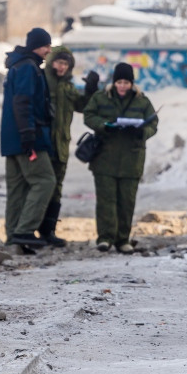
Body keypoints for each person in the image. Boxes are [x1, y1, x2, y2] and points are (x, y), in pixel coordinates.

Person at [83, 62, 158, 253]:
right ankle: (105, 238)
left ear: (132, 83)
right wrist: (104, 125)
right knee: (106, 201)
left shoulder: (142, 101)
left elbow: (153, 123)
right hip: (104, 158)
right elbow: (89, 116)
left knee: (126, 201)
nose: (122, 86)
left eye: (126, 82)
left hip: (132, 159)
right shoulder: (101, 98)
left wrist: (142, 132)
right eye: (119, 82)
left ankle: (122, 240)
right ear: (114, 82)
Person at [0, 27, 56, 248]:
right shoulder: (27, 68)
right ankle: (24, 231)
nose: (49, 51)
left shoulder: (18, 65)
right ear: (36, 46)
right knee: (45, 180)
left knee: (18, 187)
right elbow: (23, 103)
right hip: (26, 138)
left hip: (12, 139)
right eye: (46, 46)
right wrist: (28, 135)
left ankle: (13, 235)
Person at [40, 46, 99, 246]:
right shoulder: (42, 81)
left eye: (66, 64)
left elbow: (83, 106)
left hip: (62, 146)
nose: (62, 67)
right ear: (51, 62)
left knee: (57, 188)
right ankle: (31, 230)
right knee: (41, 188)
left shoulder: (67, 86)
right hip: (44, 144)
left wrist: (91, 89)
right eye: (59, 62)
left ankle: (48, 231)